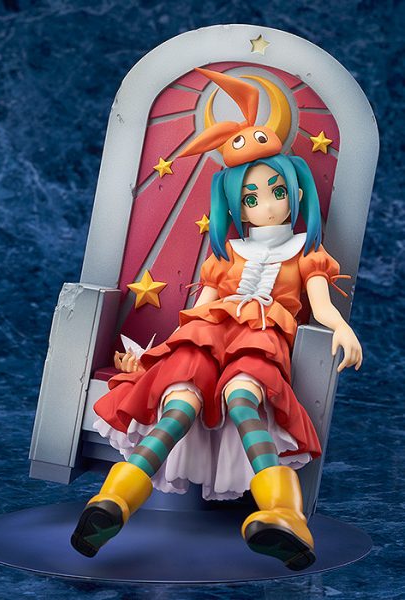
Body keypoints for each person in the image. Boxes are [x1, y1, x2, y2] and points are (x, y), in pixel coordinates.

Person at [71, 70, 362, 571]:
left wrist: (343, 328)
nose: (267, 205)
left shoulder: (306, 254)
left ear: (295, 192)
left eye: (276, 191)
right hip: (203, 336)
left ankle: (284, 516)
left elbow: (321, 305)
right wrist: (152, 359)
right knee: (179, 403)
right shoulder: (226, 256)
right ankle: (111, 503)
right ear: (236, 207)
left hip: (260, 339)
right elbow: (194, 315)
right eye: (251, 198)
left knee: (243, 398)